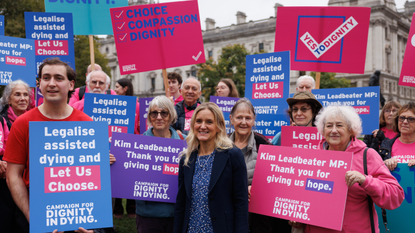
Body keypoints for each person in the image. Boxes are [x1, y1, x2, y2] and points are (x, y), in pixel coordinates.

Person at [3, 58, 96, 232]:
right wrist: (32, 215)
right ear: (39, 84)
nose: (51, 83)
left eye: (58, 78)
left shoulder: (87, 123)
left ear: (71, 85)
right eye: (46, 78)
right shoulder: (22, 123)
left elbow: (93, 177)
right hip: (35, 208)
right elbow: (13, 175)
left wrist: (91, 223)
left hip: (78, 211)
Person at [290, 105, 404, 232]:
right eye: (329, 126)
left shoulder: (367, 155)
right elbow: (303, 197)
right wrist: (297, 216)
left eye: (339, 125)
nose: (333, 130)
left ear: (351, 129)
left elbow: (395, 196)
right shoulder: (312, 157)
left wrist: (365, 181)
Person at [174, 102, 248, 233]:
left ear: (219, 126)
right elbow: (181, 204)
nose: (203, 126)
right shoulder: (186, 159)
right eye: (198, 121)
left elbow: (241, 203)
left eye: (209, 122)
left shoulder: (232, 156)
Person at [228, 98, 290, 233]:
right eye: (239, 117)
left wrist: (257, 188)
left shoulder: (264, 145)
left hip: (256, 221)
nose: (243, 122)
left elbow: (275, 181)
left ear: (254, 119)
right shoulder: (220, 144)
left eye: (248, 118)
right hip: (227, 216)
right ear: (231, 119)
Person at [131, 95, 185, 233]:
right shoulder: (137, 144)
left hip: (177, 213)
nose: (159, 117)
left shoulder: (184, 142)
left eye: (164, 113)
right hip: (148, 215)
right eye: (154, 113)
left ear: (171, 115)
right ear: (149, 117)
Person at [0, 80, 32, 232]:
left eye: (25, 94)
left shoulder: (34, 120)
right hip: (6, 183)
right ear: (8, 98)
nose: (23, 98)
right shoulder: (1, 120)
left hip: (29, 183)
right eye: (17, 94)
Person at [112, 77, 139, 218]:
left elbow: (139, 126)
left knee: (131, 178)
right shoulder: (112, 104)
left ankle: (131, 208)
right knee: (116, 177)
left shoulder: (137, 105)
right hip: (116, 144)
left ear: (125, 88)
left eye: (117, 87)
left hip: (132, 144)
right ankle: (117, 209)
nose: (115, 89)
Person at [379, 102, 415, 171]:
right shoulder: (386, 145)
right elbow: (376, 173)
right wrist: (385, 164)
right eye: (401, 118)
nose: (405, 122)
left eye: (411, 119)